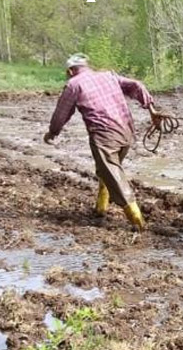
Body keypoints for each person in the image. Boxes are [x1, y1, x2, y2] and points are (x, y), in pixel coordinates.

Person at [44, 53, 160, 231]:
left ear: (70, 70)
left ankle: (137, 219)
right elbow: (136, 85)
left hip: (104, 135)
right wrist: (151, 109)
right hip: (127, 131)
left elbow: (62, 112)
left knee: (113, 174)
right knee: (106, 169)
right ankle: (101, 207)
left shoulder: (74, 84)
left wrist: (52, 132)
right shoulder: (108, 76)